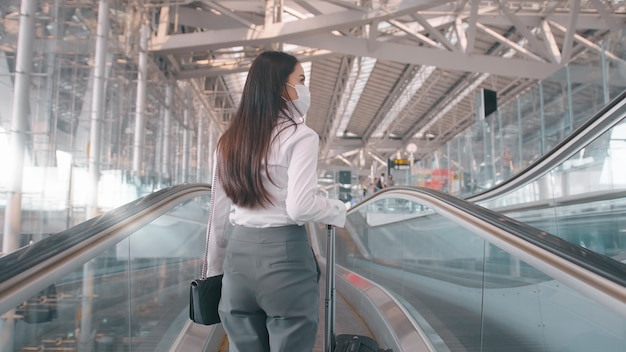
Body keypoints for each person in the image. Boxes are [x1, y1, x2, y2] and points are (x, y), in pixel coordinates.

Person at [205, 51, 347, 352]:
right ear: (281, 87)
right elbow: (301, 207)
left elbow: (216, 217)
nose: (305, 88)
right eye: (301, 80)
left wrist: (214, 273)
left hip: (237, 262)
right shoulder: (301, 136)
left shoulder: (229, 141)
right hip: (285, 258)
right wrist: (336, 209)